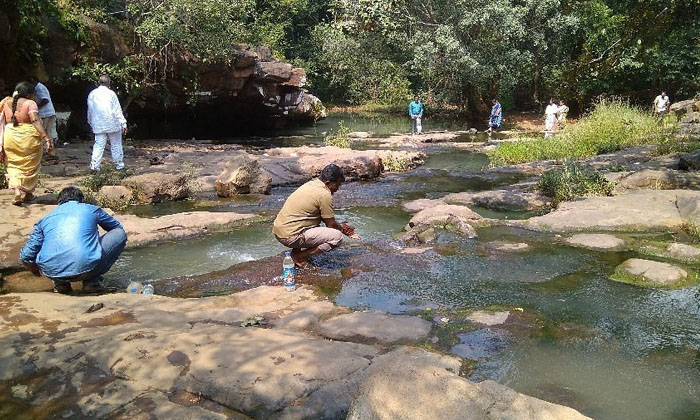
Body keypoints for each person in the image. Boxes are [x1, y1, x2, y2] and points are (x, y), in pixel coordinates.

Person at [20, 186, 127, 294]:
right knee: (119, 234)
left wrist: (33, 268)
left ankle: (60, 285)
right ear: (81, 200)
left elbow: (26, 255)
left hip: (52, 272)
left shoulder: (44, 220)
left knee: (46, 245)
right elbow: (116, 227)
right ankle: (91, 283)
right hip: (87, 267)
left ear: (59, 202)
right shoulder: (91, 209)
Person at [273, 164, 356, 267]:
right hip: (291, 236)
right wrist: (343, 230)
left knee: (313, 222)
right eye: (337, 185)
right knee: (337, 237)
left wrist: (340, 226)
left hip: (280, 231)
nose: (337, 189)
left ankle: (296, 252)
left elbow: (312, 216)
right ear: (328, 182)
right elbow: (331, 225)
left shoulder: (311, 184)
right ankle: (300, 256)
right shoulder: (324, 194)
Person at [0, 82, 53, 205]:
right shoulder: (30, 103)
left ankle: (17, 189)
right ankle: (28, 194)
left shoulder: (6, 101)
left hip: (10, 136)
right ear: (29, 94)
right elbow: (34, 119)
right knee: (30, 166)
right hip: (29, 138)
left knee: (13, 165)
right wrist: (46, 138)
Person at [87, 75, 127, 171]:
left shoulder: (92, 94)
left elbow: (90, 110)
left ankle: (94, 167)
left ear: (99, 82)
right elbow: (117, 110)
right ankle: (119, 166)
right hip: (112, 123)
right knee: (116, 144)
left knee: (98, 145)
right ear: (109, 83)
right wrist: (123, 123)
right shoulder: (111, 94)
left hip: (99, 124)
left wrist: (90, 122)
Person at [34, 80, 58, 155]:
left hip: (45, 113)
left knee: (42, 132)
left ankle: (46, 150)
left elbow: (45, 100)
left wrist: (35, 107)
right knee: (47, 132)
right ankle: (50, 151)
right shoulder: (39, 87)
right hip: (48, 112)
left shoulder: (39, 87)